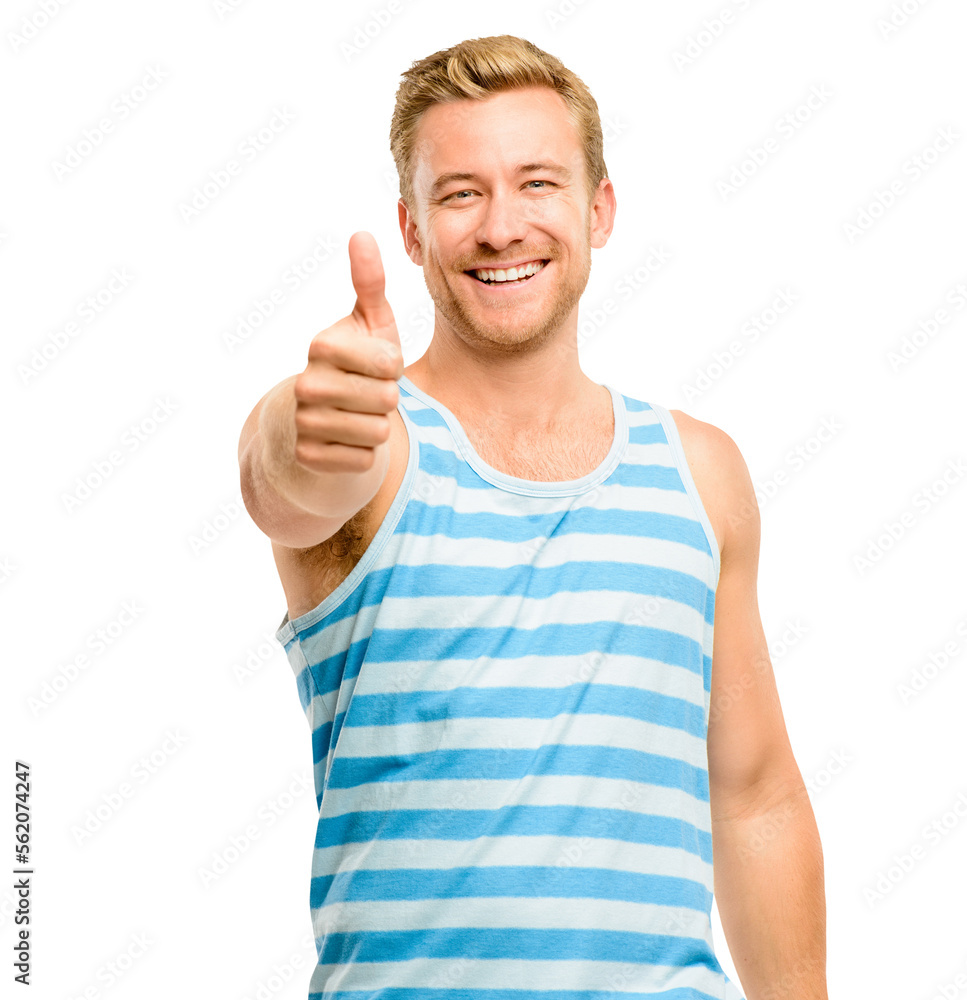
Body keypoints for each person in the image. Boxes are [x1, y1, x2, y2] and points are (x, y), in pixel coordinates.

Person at [237, 34, 828, 1000]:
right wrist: (299, 432)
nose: (500, 226)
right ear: (413, 228)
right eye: (461, 192)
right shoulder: (372, 440)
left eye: (537, 184)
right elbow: (283, 482)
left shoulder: (702, 473)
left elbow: (753, 795)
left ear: (598, 210)